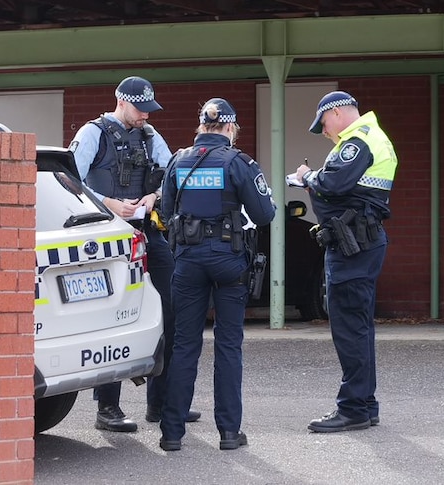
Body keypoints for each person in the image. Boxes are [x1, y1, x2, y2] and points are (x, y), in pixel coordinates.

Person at [69, 75, 200, 433]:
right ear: (121, 102)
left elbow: (171, 173)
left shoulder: (150, 134)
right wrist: (110, 203)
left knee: (171, 307)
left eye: (149, 108)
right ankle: (107, 408)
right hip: (105, 235)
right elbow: (70, 181)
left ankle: (162, 404)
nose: (146, 115)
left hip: (146, 231)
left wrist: (152, 198)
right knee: (112, 316)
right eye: (140, 108)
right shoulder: (92, 133)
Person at [158, 98, 276, 451]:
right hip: (228, 260)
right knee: (228, 346)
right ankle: (228, 432)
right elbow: (265, 213)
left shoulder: (178, 161)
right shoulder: (239, 163)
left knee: (184, 345)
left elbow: (165, 212)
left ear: (201, 127)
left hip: (188, 261)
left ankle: (172, 433)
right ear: (230, 128)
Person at [294, 91, 397, 433]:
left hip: (352, 247)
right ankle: (366, 404)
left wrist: (307, 176)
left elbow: (333, 183)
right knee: (359, 328)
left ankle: (352, 408)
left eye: (323, 123)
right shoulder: (369, 138)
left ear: (336, 112)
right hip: (358, 243)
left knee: (350, 330)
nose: (325, 131)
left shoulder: (358, 141)